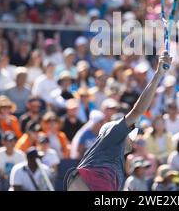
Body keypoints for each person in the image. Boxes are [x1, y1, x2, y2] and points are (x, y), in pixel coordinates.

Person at [66, 51, 171, 191]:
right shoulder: (113, 133)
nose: (132, 139)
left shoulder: (117, 162)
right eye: (130, 134)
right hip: (85, 183)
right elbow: (138, 111)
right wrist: (158, 74)